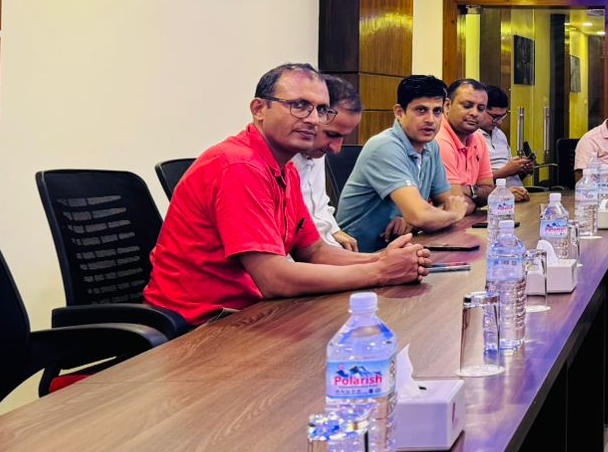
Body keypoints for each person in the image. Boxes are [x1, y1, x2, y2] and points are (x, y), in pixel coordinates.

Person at [144, 64, 431, 326]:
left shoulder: (285, 167)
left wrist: (380, 260)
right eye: (299, 106)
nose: (313, 119)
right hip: (199, 325)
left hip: (249, 313)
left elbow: (314, 251)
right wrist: (380, 272)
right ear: (259, 109)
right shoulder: (239, 166)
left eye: (321, 109)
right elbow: (274, 279)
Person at [335, 75, 472, 252]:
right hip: (359, 255)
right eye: (421, 110)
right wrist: (451, 215)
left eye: (437, 111)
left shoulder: (431, 146)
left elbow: (450, 201)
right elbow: (426, 214)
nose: (430, 119)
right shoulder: (385, 146)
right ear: (399, 112)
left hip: (398, 249)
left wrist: (416, 219)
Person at [293, 74, 363, 250]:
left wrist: (333, 229)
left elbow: (318, 204)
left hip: (323, 251)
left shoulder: (316, 150)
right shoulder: (273, 161)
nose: (336, 148)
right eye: (332, 134)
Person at [438, 78, 495, 209]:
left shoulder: (478, 137)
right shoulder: (439, 138)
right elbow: (454, 205)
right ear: (447, 106)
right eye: (467, 106)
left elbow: (489, 191)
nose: (475, 113)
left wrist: (469, 190)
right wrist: (474, 201)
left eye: (481, 108)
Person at [481, 84, 532, 202]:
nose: (499, 122)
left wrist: (521, 169)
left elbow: (510, 172)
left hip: (518, 195)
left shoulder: (500, 135)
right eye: (495, 117)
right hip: (495, 200)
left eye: (502, 117)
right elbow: (476, 183)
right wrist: (507, 171)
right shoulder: (471, 137)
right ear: (480, 109)